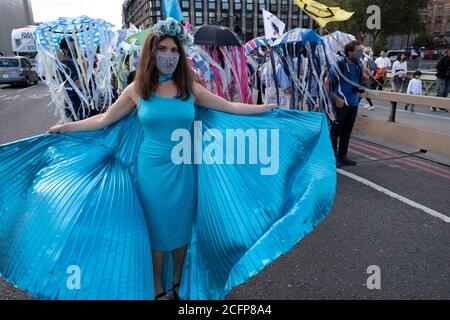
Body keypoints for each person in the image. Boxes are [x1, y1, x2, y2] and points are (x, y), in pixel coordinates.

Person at [0, 18, 336, 300]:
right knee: (157, 232)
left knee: (181, 229)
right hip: (151, 171)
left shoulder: (190, 87)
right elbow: (104, 120)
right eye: (162, 49)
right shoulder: (137, 90)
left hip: (185, 169)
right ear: (151, 52)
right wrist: (67, 126)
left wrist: (265, 109)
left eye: (174, 50)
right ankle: (157, 287)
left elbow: (230, 107)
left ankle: (178, 285)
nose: (168, 55)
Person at [329, 40, 369, 167]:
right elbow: (326, 84)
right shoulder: (338, 65)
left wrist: (365, 77)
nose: (361, 54)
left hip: (353, 102)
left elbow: (359, 83)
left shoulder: (358, 65)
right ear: (350, 52)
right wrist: (336, 98)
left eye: (362, 51)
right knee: (336, 132)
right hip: (341, 103)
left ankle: (343, 156)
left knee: (347, 131)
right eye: (359, 52)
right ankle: (332, 157)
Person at [58, 37, 83, 121]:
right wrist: (85, 70)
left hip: (74, 102)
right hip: (75, 103)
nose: (76, 50)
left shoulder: (69, 62)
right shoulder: (67, 64)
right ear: (65, 50)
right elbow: (78, 83)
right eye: (73, 48)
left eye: (76, 47)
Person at [433, 47, 450, 112]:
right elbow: (438, 67)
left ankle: (442, 106)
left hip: (448, 77)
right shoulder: (443, 58)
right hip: (441, 76)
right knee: (441, 91)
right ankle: (433, 104)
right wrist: (447, 68)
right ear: (447, 51)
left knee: (446, 92)